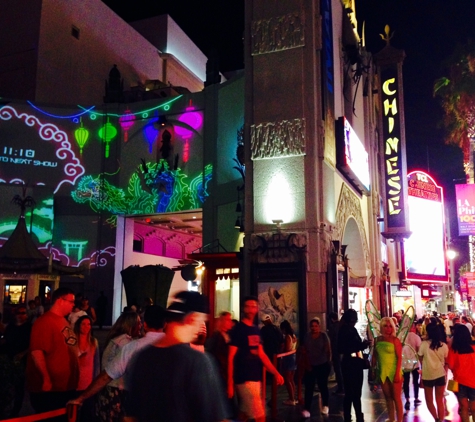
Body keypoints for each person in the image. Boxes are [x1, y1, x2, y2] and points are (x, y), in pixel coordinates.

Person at [123, 291, 230, 421]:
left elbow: (131, 416)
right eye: (202, 321)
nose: (201, 328)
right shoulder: (197, 361)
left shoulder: (142, 357)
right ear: (192, 319)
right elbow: (215, 417)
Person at [67, 305, 165, 412]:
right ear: (165, 324)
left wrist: (81, 398)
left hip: (139, 404)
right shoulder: (179, 347)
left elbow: (107, 375)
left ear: (145, 325)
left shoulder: (132, 347)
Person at [228, 296, 284, 422]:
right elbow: (231, 357)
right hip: (244, 379)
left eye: (253, 306)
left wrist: (275, 372)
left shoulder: (255, 329)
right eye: (248, 306)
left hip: (255, 377)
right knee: (259, 416)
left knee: (244, 414)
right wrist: (230, 383)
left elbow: (261, 354)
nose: (251, 309)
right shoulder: (238, 330)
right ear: (243, 309)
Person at [26, 287, 79, 417]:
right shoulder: (44, 322)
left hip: (64, 387)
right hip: (51, 390)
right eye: (71, 301)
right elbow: (37, 352)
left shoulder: (62, 320)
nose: (73, 305)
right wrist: (46, 379)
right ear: (60, 300)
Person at [96, 311, 141, 421]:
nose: (141, 325)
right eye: (139, 323)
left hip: (111, 389)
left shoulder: (118, 339)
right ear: (131, 325)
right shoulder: (124, 342)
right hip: (115, 391)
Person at [338, 309, 371, 422]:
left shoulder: (348, 329)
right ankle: (354, 415)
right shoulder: (347, 330)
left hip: (353, 362)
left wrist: (362, 346)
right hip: (351, 363)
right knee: (353, 392)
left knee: (354, 392)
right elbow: (344, 348)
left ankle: (353, 415)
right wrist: (361, 346)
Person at [299, 317, 331, 417]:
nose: (314, 328)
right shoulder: (307, 336)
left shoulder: (323, 336)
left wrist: (329, 361)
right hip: (310, 365)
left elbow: (328, 349)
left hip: (322, 364)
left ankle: (325, 405)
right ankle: (307, 408)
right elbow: (304, 349)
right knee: (309, 387)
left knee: (323, 386)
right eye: (312, 326)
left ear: (319, 327)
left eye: (316, 326)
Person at [3, 305, 32, 417]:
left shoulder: (29, 327)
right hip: (9, 358)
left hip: (22, 360)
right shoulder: (11, 327)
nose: (21, 315)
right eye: (19, 313)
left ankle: (15, 410)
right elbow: (6, 340)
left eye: (23, 313)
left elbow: (33, 344)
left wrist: (23, 353)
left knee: (19, 386)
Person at [373, 317, 403, 422]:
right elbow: (375, 355)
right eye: (385, 326)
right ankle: (391, 419)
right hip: (382, 371)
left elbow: (399, 357)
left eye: (390, 326)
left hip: (394, 371)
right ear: (381, 327)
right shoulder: (377, 340)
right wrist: (373, 369)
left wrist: (397, 373)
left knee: (396, 398)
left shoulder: (395, 340)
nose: (388, 328)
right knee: (388, 398)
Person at [418, 322, 448, 422]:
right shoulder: (443, 345)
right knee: (440, 400)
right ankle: (441, 419)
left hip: (428, 375)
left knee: (429, 401)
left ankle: (436, 418)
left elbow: (420, 358)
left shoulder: (424, 345)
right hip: (440, 374)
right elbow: (446, 359)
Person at [447, 323, 475, 422]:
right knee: (474, 407)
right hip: (473, 382)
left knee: (463, 407)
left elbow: (450, 365)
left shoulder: (454, 350)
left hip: (459, 381)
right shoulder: (474, 348)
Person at [74, 315, 100, 421]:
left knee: (87, 415)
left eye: (88, 324)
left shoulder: (94, 342)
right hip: (74, 384)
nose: (86, 326)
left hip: (88, 386)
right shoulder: (72, 341)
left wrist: (96, 385)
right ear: (78, 325)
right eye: (83, 324)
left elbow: (97, 364)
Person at [205, 311, 233, 385]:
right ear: (222, 321)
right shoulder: (217, 337)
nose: (230, 322)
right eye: (228, 320)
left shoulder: (228, 336)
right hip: (221, 372)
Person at [403, 322, 422, 410]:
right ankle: (416, 398)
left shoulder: (402, 337)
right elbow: (419, 350)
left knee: (406, 382)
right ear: (413, 328)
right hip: (415, 362)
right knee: (415, 381)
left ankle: (407, 399)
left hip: (405, 362)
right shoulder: (416, 337)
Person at [279, 320, 298, 405]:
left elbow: (287, 348)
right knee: (291, 379)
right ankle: (293, 397)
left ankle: (291, 399)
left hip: (288, 358)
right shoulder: (294, 336)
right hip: (293, 357)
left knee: (287, 379)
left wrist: (282, 347)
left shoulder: (287, 337)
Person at [327, 311, 344, 395]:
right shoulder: (341, 326)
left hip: (335, 351)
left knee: (338, 369)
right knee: (342, 369)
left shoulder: (332, 327)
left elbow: (330, 340)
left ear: (331, 319)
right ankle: (343, 387)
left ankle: (340, 388)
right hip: (342, 351)